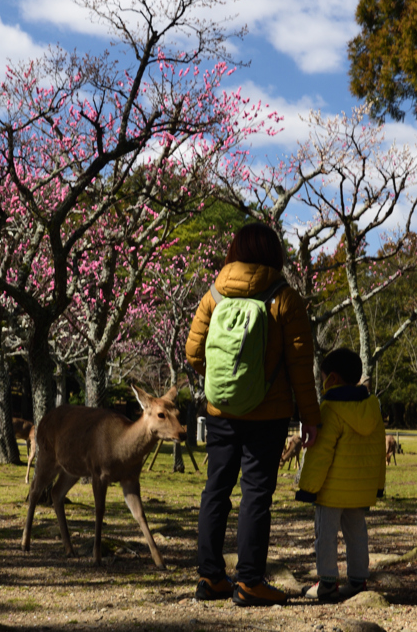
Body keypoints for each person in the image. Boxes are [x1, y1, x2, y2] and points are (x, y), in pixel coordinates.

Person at [185, 222, 321, 607]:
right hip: (269, 414)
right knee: (256, 494)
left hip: (220, 410)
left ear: (234, 251)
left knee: (216, 488)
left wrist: (226, 381)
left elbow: (194, 355)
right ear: (273, 254)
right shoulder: (285, 299)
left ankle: (210, 578)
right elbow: (300, 367)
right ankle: (248, 582)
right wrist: (308, 417)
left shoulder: (213, 294)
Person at [295, 348, 386, 602]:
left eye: (322, 377)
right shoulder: (372, 407)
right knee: (357, 534)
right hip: (360, 491)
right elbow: (379, 449)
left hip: (331, 492)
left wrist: (308, 488)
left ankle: (326, 583)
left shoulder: (330, 408)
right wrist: (377, 486)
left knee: (325, 536)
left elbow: (320, 454)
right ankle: (357, 580)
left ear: (332, 378)